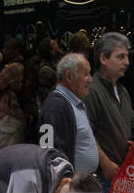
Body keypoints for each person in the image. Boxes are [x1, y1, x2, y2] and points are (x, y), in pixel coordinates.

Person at [38, 52, 105, 181]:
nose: (90, 79)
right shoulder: (55, 106)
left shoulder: (74, 103)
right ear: (69, 76)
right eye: (86, 74)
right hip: (70, 190)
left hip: (82, 185)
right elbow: (49, 154)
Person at [84, 31, 133, 192]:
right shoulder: (91, 91)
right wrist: (105, 163)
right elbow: (85, 134)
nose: (127, 62)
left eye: (127, 56)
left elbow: (130, 124)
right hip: (103, 176)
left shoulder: (123, 91)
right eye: (120, 57)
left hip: (123, 171)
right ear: (103, 59)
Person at [0, 60, 28, 148]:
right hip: (19, 115)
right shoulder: (22, 68)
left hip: (10, 116)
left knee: (6, 152)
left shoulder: (13, 69)